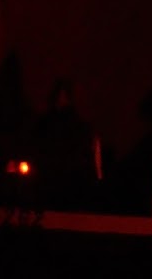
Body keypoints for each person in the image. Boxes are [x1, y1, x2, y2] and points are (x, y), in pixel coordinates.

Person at [30, 78, 103, 210]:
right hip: (59, 184)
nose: (60, 99)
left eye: (62, 95)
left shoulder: (76, 128)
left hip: (60, 184)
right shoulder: (78, 127)